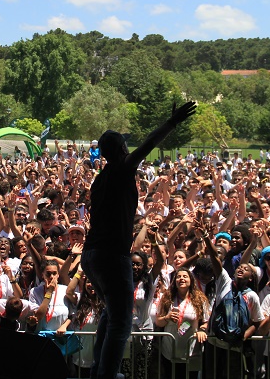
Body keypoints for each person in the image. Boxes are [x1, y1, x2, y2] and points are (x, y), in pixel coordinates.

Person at [82, 101, 196, 379]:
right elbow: (147, 145)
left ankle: (100, 367)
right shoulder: (121, 171)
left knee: (111, 313)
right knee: (121, 323)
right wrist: (172, 122)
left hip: (91, 255)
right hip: (111, 256)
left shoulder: (100, 180)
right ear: (121, 150)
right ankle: (106, 374)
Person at [153, 267, 210, 379]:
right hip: (169, 352)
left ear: (191, 280)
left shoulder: (199, 299)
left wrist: (202, 330)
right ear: (175, 281)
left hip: (191, 352)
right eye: (178, 276)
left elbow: (206, 322)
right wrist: (167, 317)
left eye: (185, 276)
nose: (181, 279)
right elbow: (158, 322)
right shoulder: (167, 298)